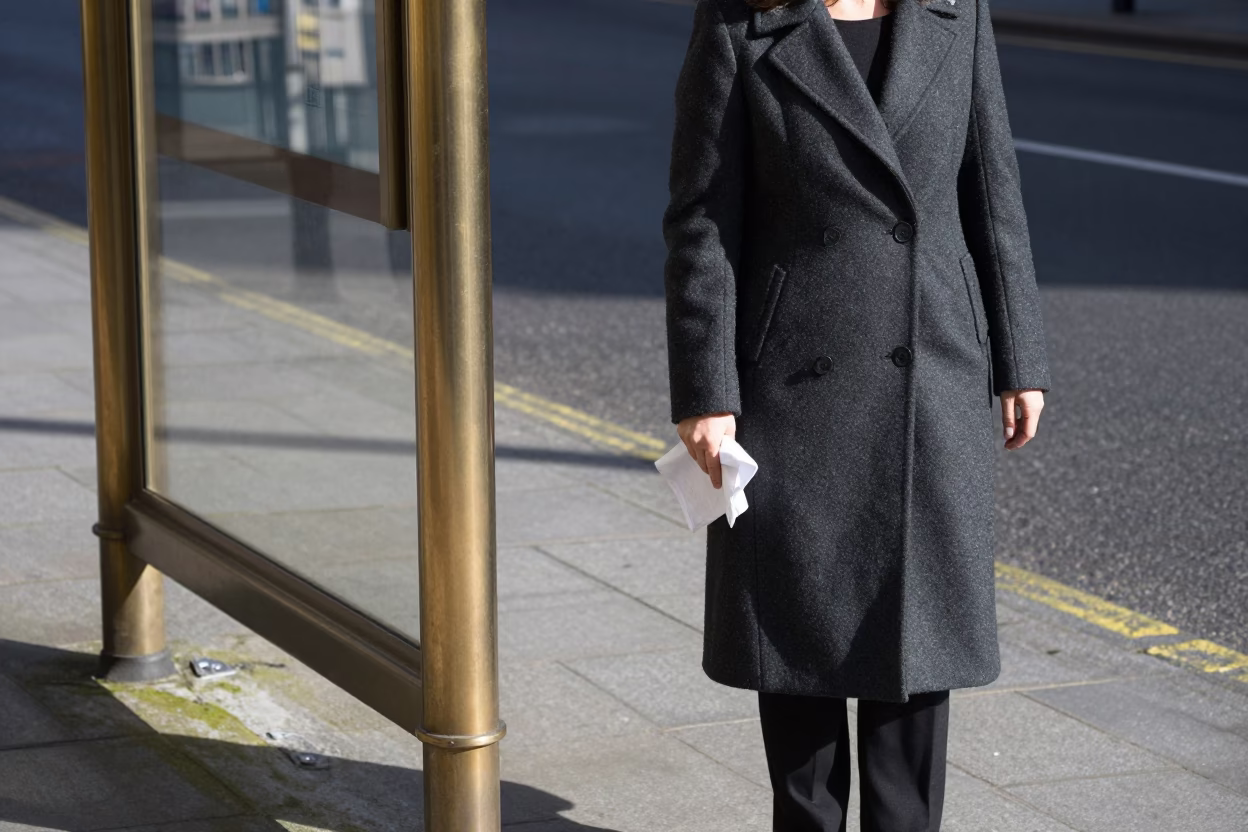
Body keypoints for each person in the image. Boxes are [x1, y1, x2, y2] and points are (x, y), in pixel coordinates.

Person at [661, 0, 1050, 828]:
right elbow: (703, 219)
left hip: (932, 377)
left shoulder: (956, 13)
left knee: (916, 668)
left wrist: (1022, 357)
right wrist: (706, 390)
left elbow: (992, 183)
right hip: (790, 396)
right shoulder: (744, 19)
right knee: (799, 681)